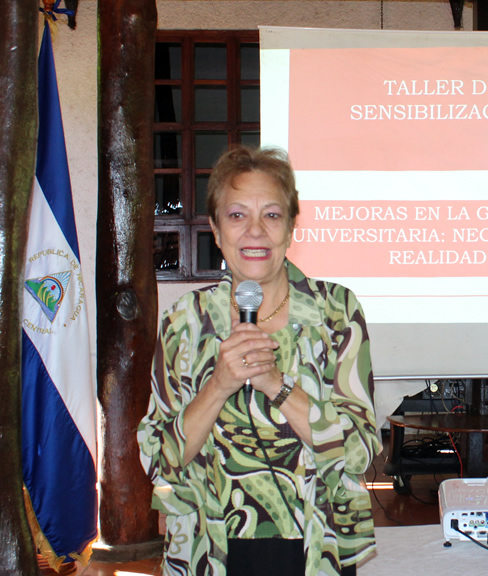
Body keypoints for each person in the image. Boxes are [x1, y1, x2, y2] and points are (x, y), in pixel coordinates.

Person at [138, 146, 379, 576]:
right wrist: (218, 385)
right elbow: (161, 458)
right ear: (214, 228)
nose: (255, 231)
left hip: (316, 544)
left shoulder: (336, 311)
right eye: (236, 216)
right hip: (208, 545)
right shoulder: (185, 323)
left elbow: (358, 451)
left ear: (290, 229)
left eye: (271, 215)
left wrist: (276, 384)